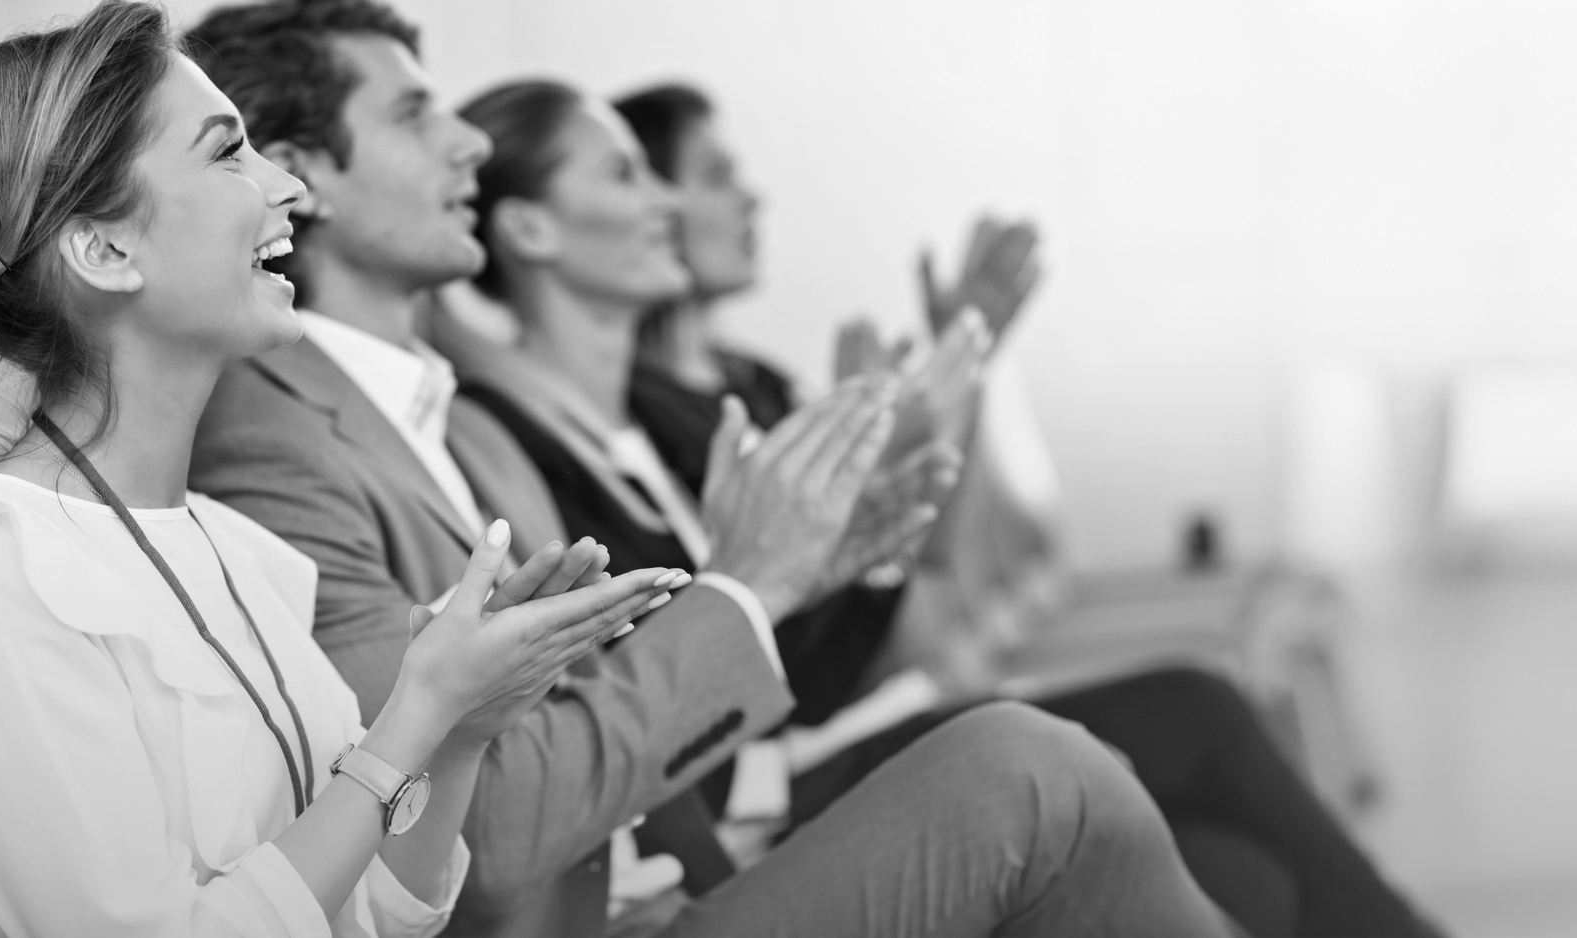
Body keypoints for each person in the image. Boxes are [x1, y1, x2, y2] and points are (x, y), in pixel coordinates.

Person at [180, 4, 1237, 937]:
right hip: (615, 887)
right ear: (302, 173)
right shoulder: (271, 443)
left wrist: (809, 567)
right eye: (415, 115)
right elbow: (471, 829)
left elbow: (588, 709)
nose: (463, 142)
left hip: (659, 868)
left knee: (1156, 815)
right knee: (1032, 772)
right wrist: (754, 580)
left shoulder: (465, 429)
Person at [0, 4, 689, 935]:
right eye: (228, 152)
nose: (286, 187)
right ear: (105, 249)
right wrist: (416, 709)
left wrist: (463, 728)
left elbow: (381, 913)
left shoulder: (238, 550)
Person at [601, 80, 1451, 938]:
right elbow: (824, 648)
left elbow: (911, 575)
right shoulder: (642, 421)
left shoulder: (757, 383)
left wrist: (956, 379)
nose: (750, 196)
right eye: (711, 174)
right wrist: (916, 429)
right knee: (1198, 709)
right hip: (797, 766)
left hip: (865, 716)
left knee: (1250, 876)